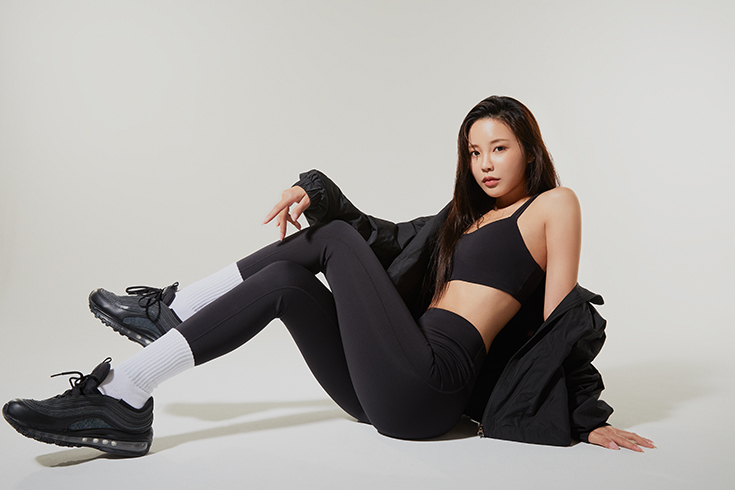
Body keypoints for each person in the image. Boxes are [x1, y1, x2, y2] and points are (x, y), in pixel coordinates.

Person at [3, 96, 654, 457]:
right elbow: (382, 239)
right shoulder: (459, 219)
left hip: (429, 388)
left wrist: (582, 417)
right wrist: (314, 193)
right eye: (474, 151)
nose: (485, 163)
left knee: (333, 241)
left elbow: (560, 319)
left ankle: (174, 311)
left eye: (499, 148)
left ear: (529, 150)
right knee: (288, 284)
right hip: (381, 388)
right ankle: (126, 396)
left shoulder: (553, 205)